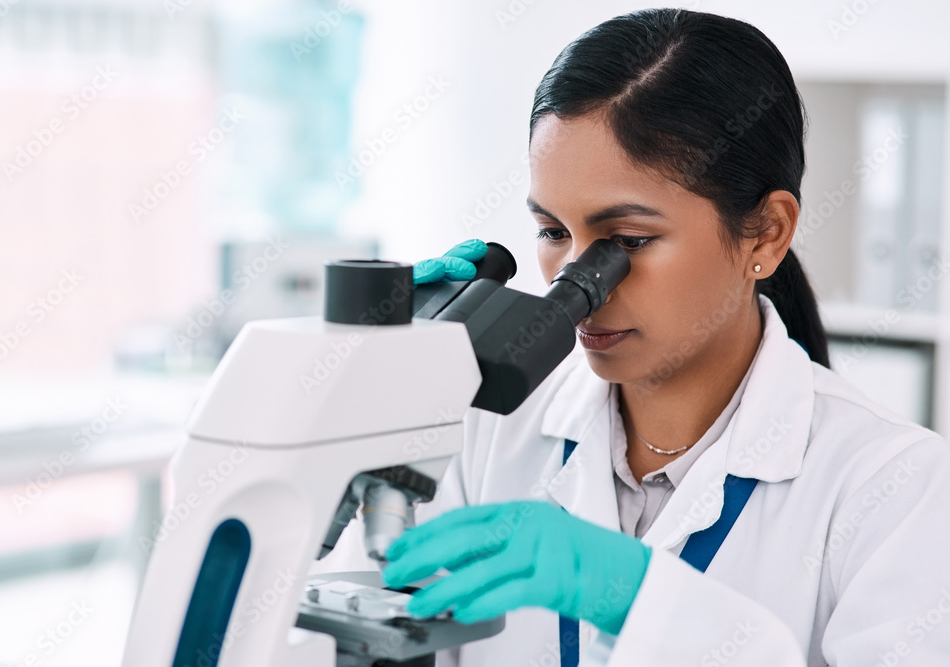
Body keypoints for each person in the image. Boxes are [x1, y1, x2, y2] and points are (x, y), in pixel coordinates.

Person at [324, 8, 950, 666]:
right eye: (553, 232)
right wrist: (352, 415)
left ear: (766, 231)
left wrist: (645, 599)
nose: (578, 278)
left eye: (626, 240)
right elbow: (337, 624)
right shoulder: (491, 425)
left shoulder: (897, 486)